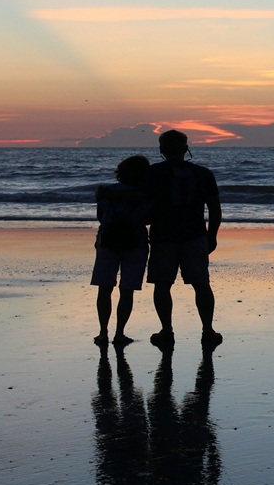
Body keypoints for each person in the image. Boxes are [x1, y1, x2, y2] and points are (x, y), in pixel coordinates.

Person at [145, 130, 223, 348]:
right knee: (201, 283)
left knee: (162, 285)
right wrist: (212, 235)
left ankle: (166, 330)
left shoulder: (153, 173)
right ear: (185, 149)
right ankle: (208, 330)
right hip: (194, 235)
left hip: (163, 236)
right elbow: (215, 208)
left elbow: (143, 206)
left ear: (162, 150)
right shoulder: (203, 174)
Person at [90, 155, 152, 345]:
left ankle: (103, 333)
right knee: (127, 290)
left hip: (107, 241)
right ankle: (119, 334)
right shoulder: (146, 195)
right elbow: (148, 218)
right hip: (135, 242)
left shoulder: (105, 191)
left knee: (104, 288)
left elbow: (101, 216)